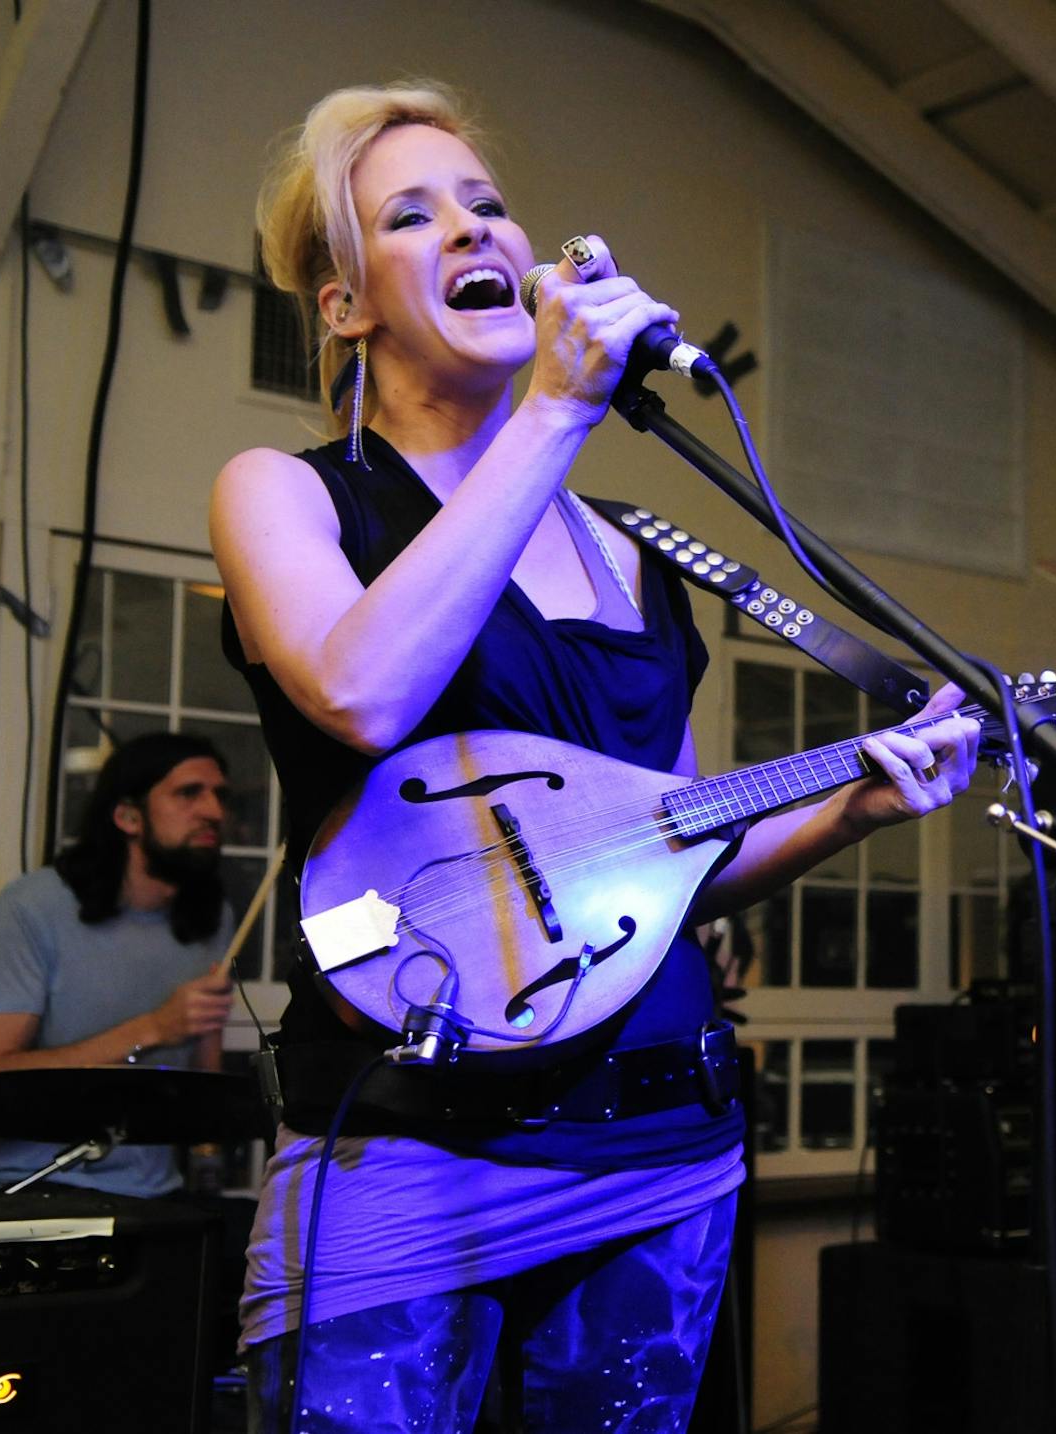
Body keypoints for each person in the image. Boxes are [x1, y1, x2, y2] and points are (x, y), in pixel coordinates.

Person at [212, 82, 979, 1432]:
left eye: (489, 205)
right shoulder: (286, 495)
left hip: (660, 1139)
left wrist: (855, 804)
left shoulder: (636, 553)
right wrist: (553, 413)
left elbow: (680, 842)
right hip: (412, 1145)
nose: (473, 229)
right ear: (345, 306)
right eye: (413, 214)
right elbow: (357, 689)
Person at [0, 731, 234, 1197]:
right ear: (128, 816)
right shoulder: (31, 907)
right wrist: (153, 1028)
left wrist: (211, 1162)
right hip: (23, 1189)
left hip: (153, 1194)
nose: (214, 812)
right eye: (189, 793)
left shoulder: (212, 916)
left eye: (219, 795)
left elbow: (202, 1078)